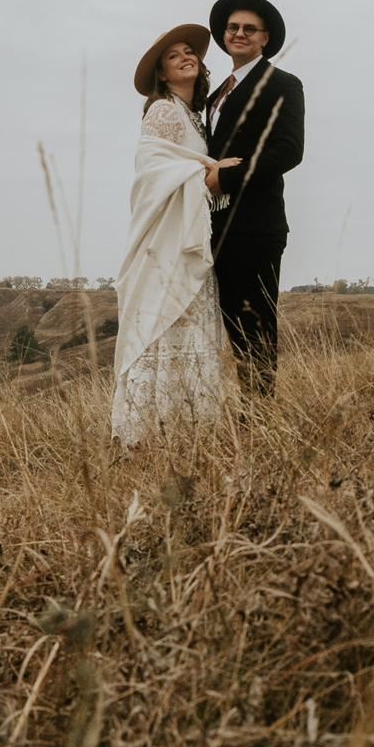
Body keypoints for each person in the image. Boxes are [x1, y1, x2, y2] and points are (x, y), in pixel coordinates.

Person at [110, 24, 240, 444]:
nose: (187, 57)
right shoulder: (163, 111)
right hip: (164, 241)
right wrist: (208, 173)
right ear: (162, 75)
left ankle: (187, 432)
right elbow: (150, 174)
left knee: (191, 328)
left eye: (190, 52)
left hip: (187, 236)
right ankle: (154, 433)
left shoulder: (193, 116)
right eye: (174, 56)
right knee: (165, 326)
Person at [204, 0, 304, 395]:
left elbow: (288, 151)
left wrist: (224, 179)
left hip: (254, 227)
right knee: (229, 330)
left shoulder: (282, 84)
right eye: (233, 27)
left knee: (256, 330)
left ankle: (261, 417)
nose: (239, 33)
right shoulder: (214, 95)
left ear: (265, 39)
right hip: (212, 228)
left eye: (249, 29)